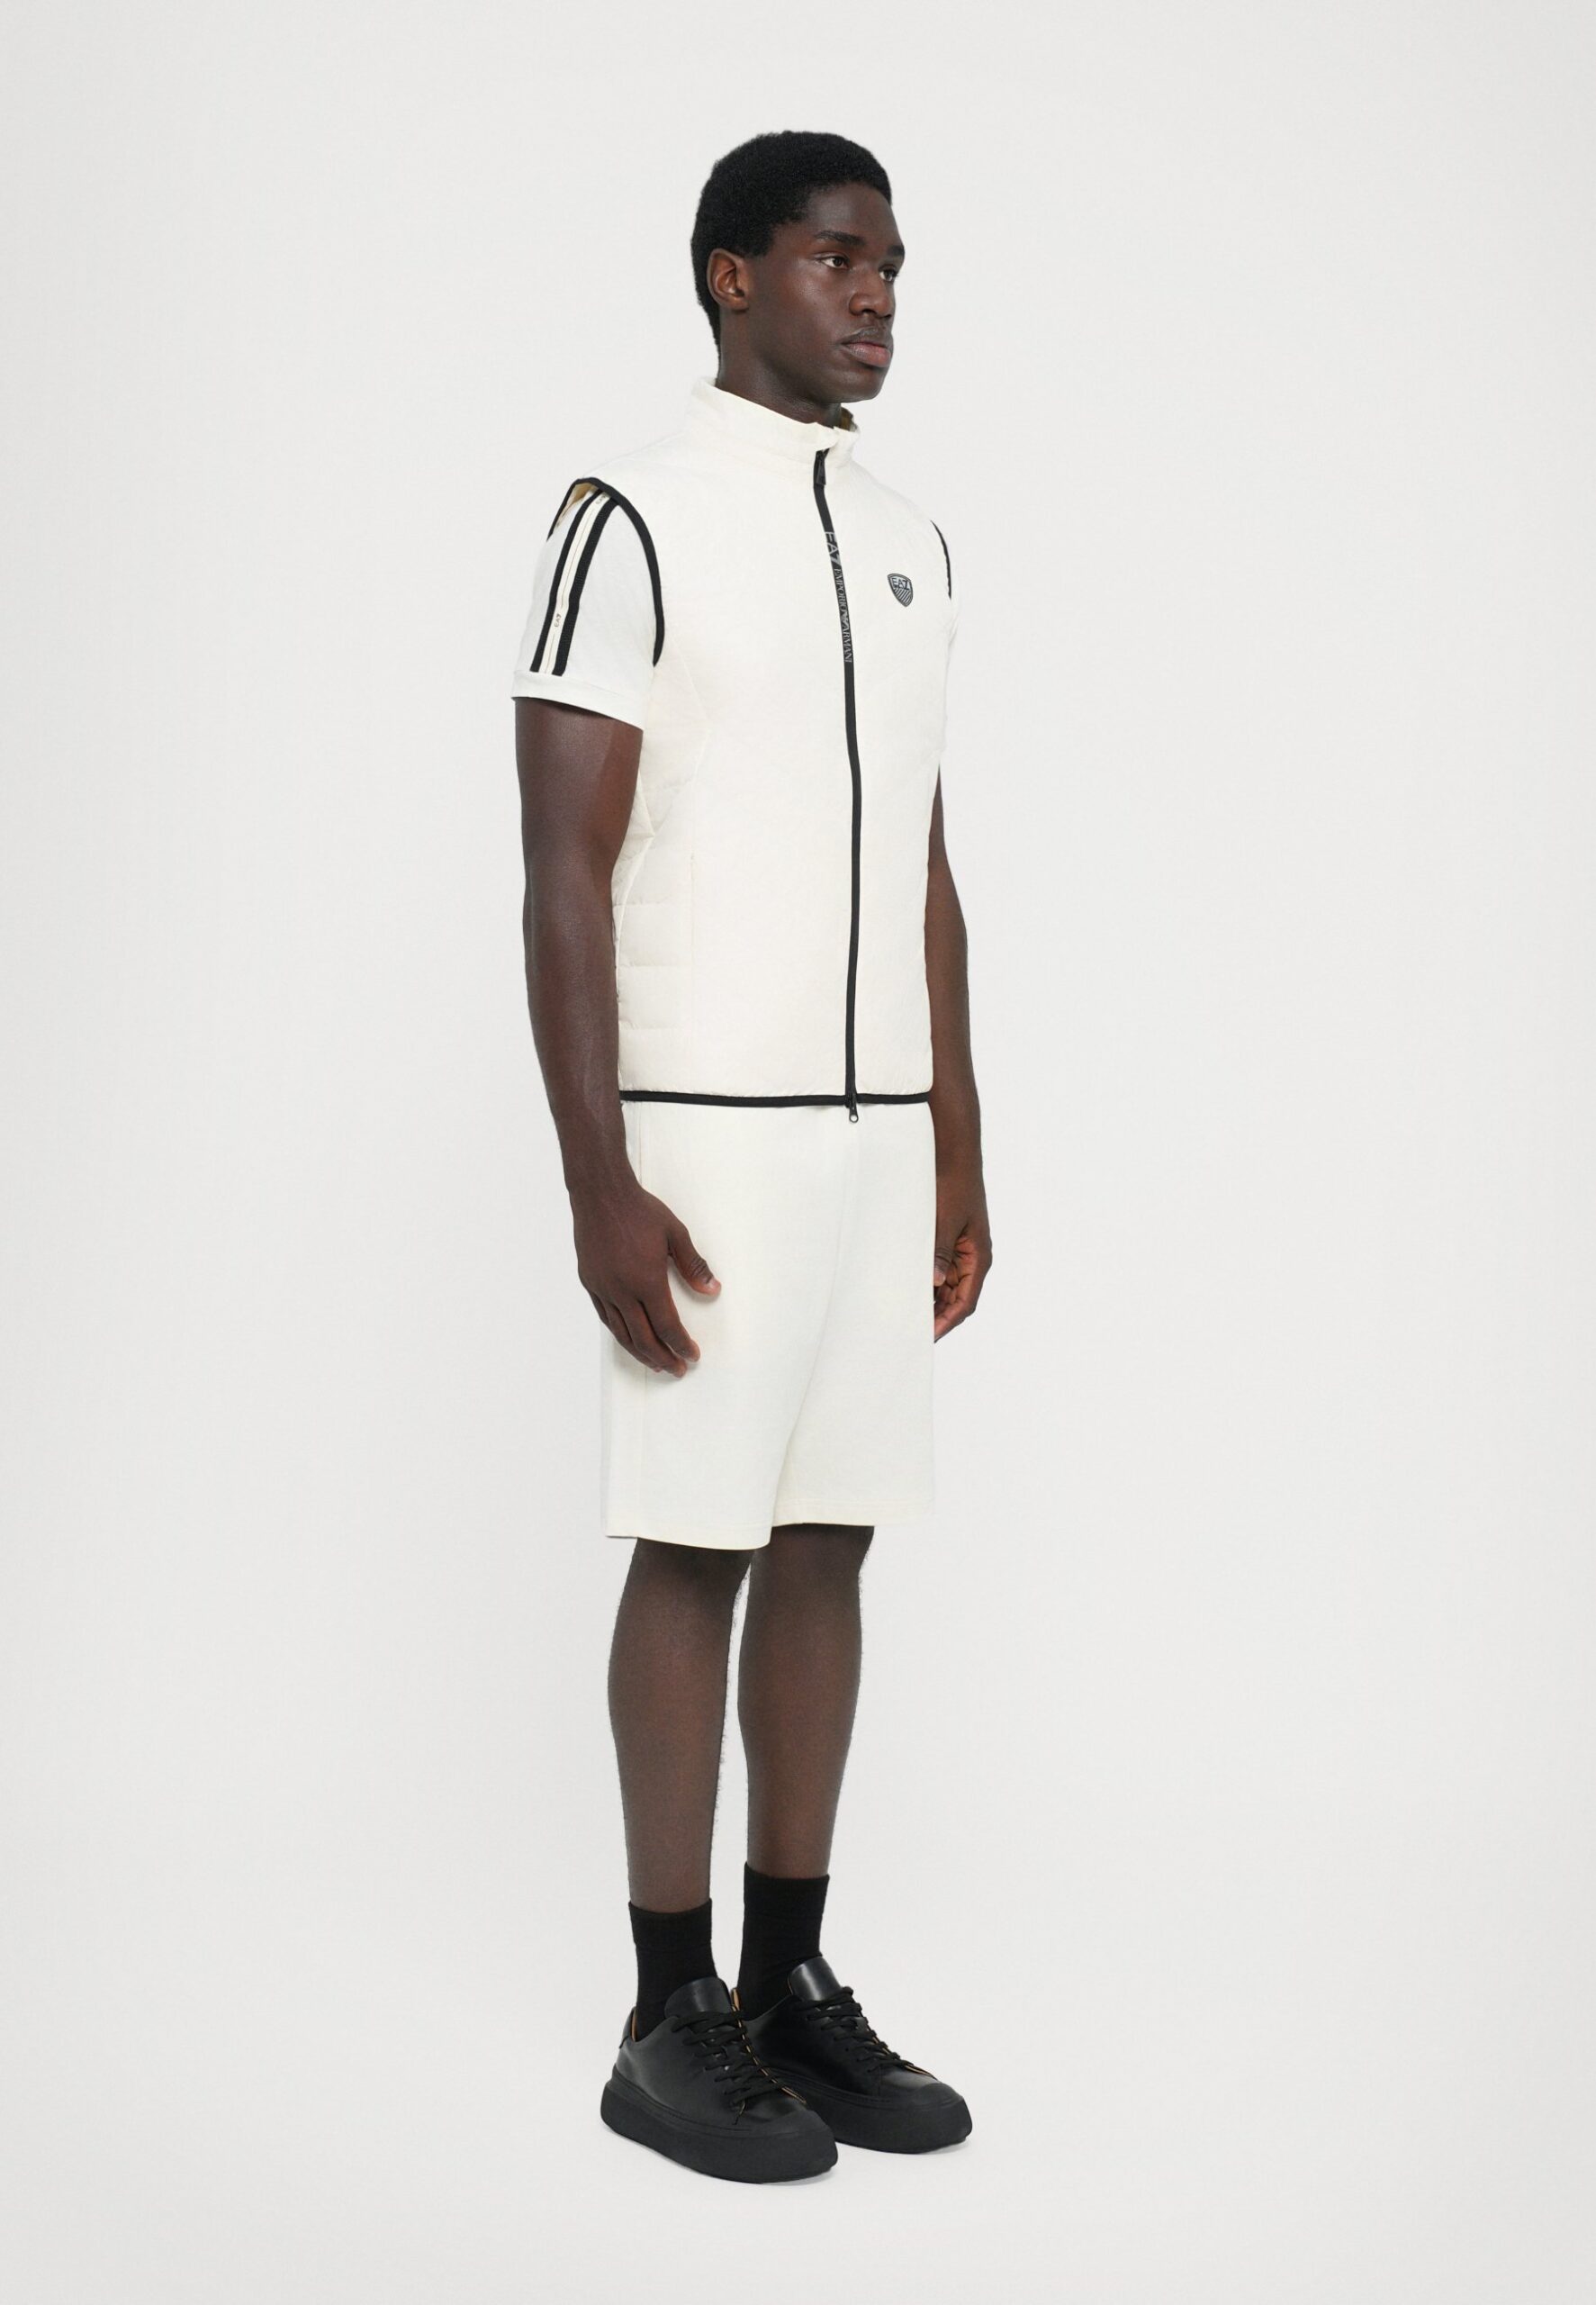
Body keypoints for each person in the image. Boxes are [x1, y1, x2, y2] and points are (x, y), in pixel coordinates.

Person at [511, 130, 991, 2183]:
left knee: (828, 1539)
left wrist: (958, 1137)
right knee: (694, 1541)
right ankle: (665, 2004)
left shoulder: (909, 537)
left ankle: (790, 1977)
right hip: (702, 1136)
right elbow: (561, 862)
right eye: (830, 257)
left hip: (876, 1134)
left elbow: (923, 859)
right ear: (730, 275)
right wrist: (596, 1178)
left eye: (889, 265)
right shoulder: (629, 513)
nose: (872, 294)